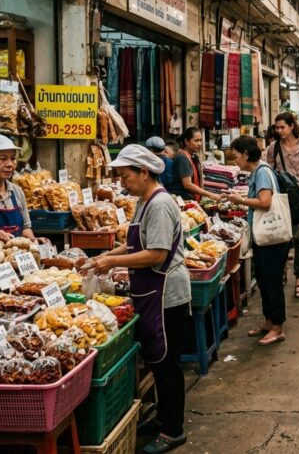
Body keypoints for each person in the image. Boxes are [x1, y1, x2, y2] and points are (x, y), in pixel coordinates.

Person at [90, 145, 191, 453]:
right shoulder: (144, 201)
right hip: (151, 292)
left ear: (144, 172)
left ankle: (173, 430)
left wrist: (112, 263)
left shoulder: (159, 204)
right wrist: (107, 255)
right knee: (157, 361)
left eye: (126, 176)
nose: (123, 183)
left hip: (166, 294)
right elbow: (135, 244)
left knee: (167, 364)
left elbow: (157, 254)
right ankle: (162, 418)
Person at [223, 136, 291, 346]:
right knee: (264, 280)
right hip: (264, 239)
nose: (235, 160)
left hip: (272, 240)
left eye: (236, 155)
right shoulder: (257, 172)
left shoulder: (262, 172)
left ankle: (277, 327)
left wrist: (240, 200)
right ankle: (269, 322)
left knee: (271, 282)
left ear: (246, 154)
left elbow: (265, 202)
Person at [265, 112, 299, 299]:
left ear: (291, 126)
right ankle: (282, 270)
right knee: (280, 238)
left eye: (282, 127)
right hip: (280, 200)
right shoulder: (273, 148)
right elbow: (269, 173)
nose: (279, 130)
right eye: (277, 127)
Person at [174, 127, 210, 202]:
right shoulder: (182, 157)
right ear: (186, 141)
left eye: (200, 140)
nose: (199, 144)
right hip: (185, 201)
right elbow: (187, 185)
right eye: (196, 141)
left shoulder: (192, 157)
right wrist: (210, 194)